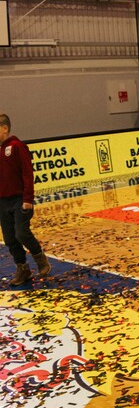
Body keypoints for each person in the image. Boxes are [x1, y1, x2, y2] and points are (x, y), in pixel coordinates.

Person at [1, 112, 51, 287]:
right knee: (9, 239)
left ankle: (40, 259)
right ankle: (23, 269)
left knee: (21, 233)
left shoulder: (17, 146)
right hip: (2, 202)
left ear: (5, 128)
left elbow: (27, 174)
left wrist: (28, 198)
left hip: (20, 199)